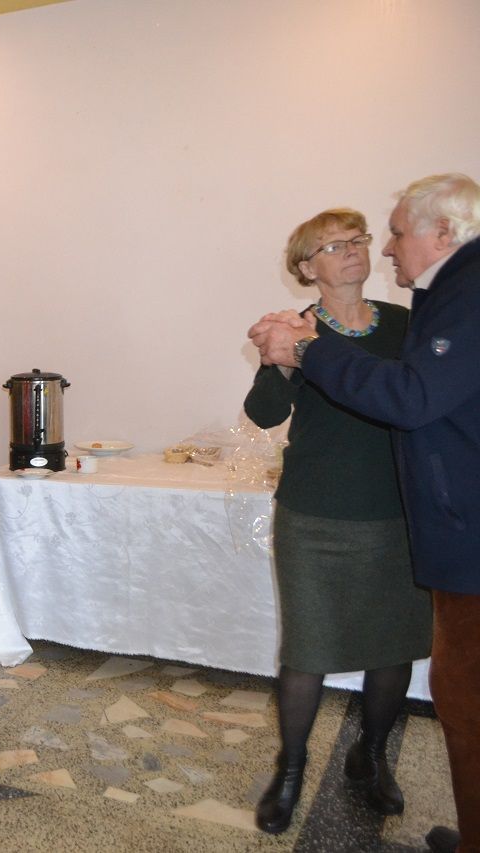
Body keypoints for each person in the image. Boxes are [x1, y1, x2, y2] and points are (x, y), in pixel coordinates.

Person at [249, 173, 480, 853]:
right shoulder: (298, 329)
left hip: (398, 512)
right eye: (334, 245)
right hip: (316, 511)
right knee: (307, 650)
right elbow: (262, 413)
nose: (355, 251)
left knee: (392, 648)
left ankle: (370, 756)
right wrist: (281, 362)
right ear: (306, 268)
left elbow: (418, 399)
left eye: (359, 239)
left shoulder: (408, 322)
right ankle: (290, 771)